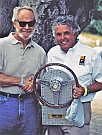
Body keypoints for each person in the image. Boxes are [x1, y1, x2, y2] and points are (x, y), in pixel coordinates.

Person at [47, 16, 102, 135]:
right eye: (58, 34)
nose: (62, 38)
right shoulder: (52, 53)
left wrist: (85, 90)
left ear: (75, 33)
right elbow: (47, 80)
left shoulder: (90, 54)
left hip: (80, 109)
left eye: (66, 33)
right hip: (55, 109)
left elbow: (100, 82)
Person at [0, 6, 46, 135]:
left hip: (30, 106)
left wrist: (34, 85)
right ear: (15, 23)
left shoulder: (40, 52)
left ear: (35, 25)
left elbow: (40, 82)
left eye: (30, 23)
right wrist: (21, 81)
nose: (27, 27)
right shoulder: (2, 45)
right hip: (4, 104)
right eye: (22, 23)